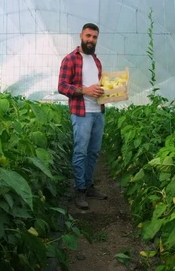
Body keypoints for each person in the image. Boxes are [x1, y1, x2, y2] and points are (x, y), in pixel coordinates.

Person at [58, 23, 108, 210]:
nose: (91, 40)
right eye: (88, 36)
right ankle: (79, 190)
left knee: (94, 153)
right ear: (81, 35)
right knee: (81, 152)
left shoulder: (96, 61)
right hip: (81, 113)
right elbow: (62, 86)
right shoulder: (70, 60)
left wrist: (109, 93)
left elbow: (99, 87)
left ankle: (89, 186)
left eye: (94, 37)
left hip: (98, 112)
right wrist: (85, 90)